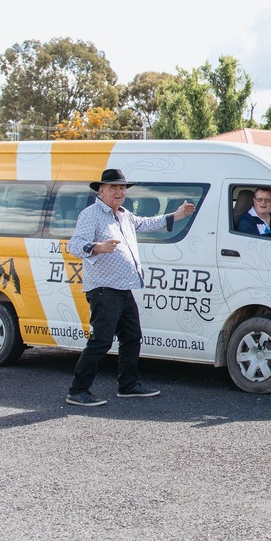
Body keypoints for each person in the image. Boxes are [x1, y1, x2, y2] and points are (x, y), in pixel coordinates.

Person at [65, 168, 196, 407]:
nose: (119, 192)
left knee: (132, 337)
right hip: (104, 289)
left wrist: (176, 216)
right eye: (113, 187)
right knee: (101, 341)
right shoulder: (91, 214)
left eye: (122, 188)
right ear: (101, 190)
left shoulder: (124, 215)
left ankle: (128, 385)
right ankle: (78, 390)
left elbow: (147, 223)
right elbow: (74, 246)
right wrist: (98, 247)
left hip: (123, 288)